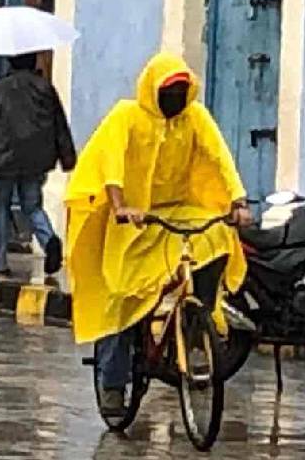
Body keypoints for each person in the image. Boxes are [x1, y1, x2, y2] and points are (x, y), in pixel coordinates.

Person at [64, 52, 252, 417]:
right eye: (170, 90)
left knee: (216, 239)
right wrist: (120, 205)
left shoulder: (194, 117)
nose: (177, 97)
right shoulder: (126, 116)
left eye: (183, 90)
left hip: (177, 211)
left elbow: (220, 157)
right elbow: (111, 163)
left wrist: (237, 201)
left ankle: (201, 318)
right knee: (121, 298)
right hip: (133, 221)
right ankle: (113, 383)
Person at [0, 52, 76, 276]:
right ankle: (49, 240)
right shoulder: (45, 89)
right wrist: (67, 157)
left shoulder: (1, 88)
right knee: (32, 206)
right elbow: (60, 123)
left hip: (1, 159)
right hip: (34, 160)